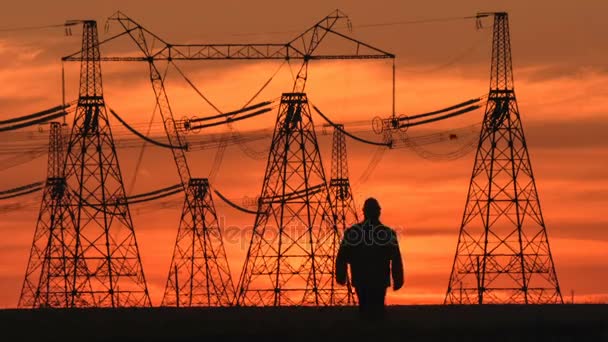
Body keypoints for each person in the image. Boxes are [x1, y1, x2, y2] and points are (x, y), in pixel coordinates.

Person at [335, 197, 404, 320]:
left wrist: (341, 276)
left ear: (364, 211)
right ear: (378, 212)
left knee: (365, 309)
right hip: (377, 279)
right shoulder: (387, 233)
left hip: (363, 279)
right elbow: (396, 258)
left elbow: (342, 257)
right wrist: (398, 279)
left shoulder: (354, 232)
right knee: (377, 310)